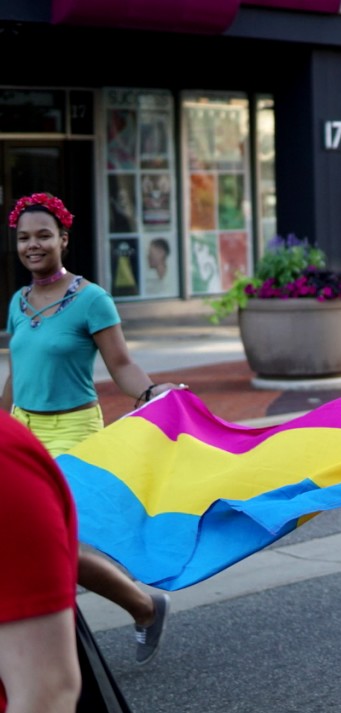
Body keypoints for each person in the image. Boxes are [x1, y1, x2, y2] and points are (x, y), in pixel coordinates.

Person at [1, 192, 181, 665]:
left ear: (63, 238)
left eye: (43, 235)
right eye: (24, 238)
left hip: (74, 431)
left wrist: (150, 393)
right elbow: (17, 374)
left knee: (56, 541)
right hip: (24, 430)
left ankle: (144, 605)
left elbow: (121, 364)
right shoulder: (18, 302)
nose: (32, 245)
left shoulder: (92, 299)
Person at [0, 413, 80, 713]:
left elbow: (47, 693)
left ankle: (142, 605)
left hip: (72, 423)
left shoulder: (5, 460)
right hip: (28, 418)